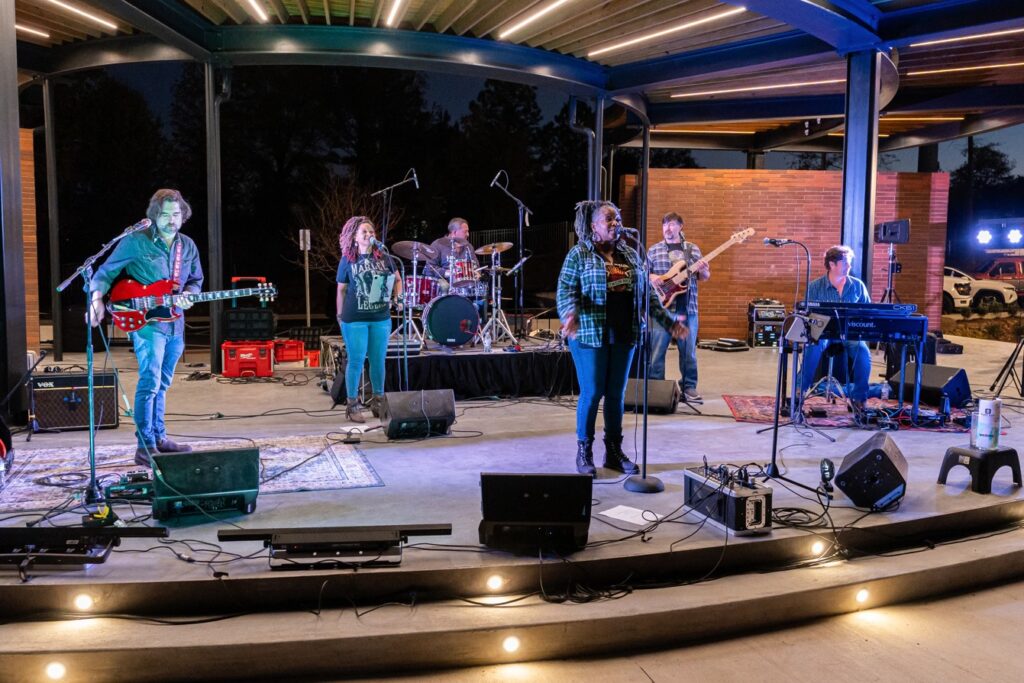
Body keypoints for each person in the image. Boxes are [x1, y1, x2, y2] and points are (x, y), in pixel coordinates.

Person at [557, 201, 688, 477]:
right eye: (608, 219)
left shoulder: (629, 254)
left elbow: (648, 295)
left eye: (617, 218)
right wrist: (570, 314)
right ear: (594, 226)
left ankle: (613, 452)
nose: (615, 223)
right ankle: (585, 451)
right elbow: (566, 290)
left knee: (616, 394)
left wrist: (668, 323)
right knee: (593, 392)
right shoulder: (579, 254)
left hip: (625, 331)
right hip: (589, 333)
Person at [89, 189, 203, 467]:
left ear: (183, 215)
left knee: (162, 384)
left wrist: (190, 293)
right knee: (150, 382)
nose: (171, 220)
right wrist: (96, 299)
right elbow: (105, 272)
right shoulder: (136, 241)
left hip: (175, 323)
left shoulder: (187, 246)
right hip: (147, 323)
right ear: (154, 215)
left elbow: (196, 280)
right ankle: (145, 446)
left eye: (176, 214)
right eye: (165, 214)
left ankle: (159, 438)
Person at [337, 216, 402, 423]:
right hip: (355, 318)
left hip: (380, 317)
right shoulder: (348, 259)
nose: (368, 234)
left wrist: (398, 297)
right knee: (356, 360)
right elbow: (341, 289)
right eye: (364, 232)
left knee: (378, 360)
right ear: (354, 237)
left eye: (371, 231)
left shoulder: (384, 256)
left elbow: (398, 280)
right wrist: (340, 316)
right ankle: (352, 404)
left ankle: (378, 401)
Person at [798, 245, 873, 414]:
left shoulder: (857, 286)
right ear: (832, 264)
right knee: (812, 348)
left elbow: (867, 311)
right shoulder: (814, 287)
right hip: (823, 333)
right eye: (845, 263)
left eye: (850, 262)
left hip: (849, 332)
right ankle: (798, 394)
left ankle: (859, 398)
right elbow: (807, 315)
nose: (849, 266)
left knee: (862, 352)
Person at [647, 212, 709, 402]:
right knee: (657, 351)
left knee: (688, 352)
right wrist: (652, 277)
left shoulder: (692, 249)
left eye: (672, 224)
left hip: (688, 309)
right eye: (665, 224)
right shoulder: (654, 250)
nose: (668, 228)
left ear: (681, 227)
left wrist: (704, 269)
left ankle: (689, 387)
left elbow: (704, 277)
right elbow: (644, 274)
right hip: (662, 309)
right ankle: (656, 388)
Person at [428, 217, 479, 284]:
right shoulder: (437, 245)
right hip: (443, 283)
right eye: (465, 232)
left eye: (468, 231)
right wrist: (446, 273)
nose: (468, 234)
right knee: (444, 286)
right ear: (454, 232)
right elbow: (430, 268)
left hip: (465, 284)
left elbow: (476, 265)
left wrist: (477, 272)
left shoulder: (468, 246)